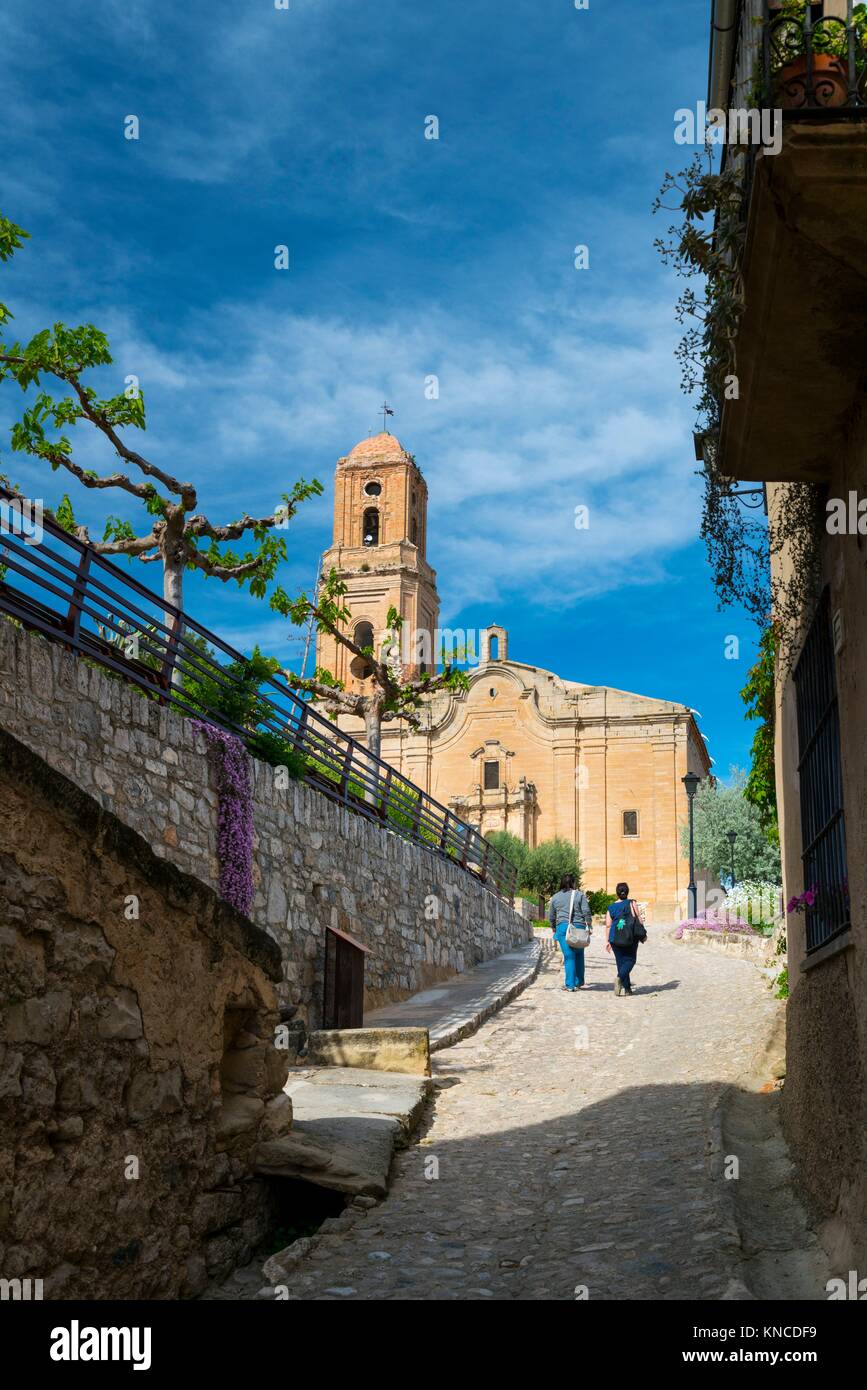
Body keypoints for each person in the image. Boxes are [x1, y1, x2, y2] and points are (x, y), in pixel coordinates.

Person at [548, 873, 592, 991]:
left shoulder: (555, 897)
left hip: (563, 928)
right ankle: (579, 981)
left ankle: (570, 985)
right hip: (579, 927)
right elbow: (586, 911)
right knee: (578, 953)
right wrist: (589, 925)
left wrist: (553, 927)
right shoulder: (579, 895)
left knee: (569, 956)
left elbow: (551, 915)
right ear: (573, 883)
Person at [605, 882, 647, 995]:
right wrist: (643, 932)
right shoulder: (632, 903)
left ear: (617, 893)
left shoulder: (611, 907)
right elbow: (638, 918)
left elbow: (608, 925)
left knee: (621, 963)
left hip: (615, 938)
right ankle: (620, 978)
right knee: (631, 960)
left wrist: (608, 941)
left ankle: (627, 989)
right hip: (630, 936)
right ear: (627, 892)